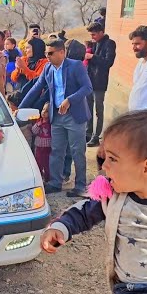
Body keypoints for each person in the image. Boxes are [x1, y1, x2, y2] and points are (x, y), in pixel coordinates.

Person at [41, 110, 147, 294]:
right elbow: (83, 213)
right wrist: (60, 227)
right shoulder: (114, 197)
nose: (104, 166)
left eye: (112, 159)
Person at [19, 39, 93, 197]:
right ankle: (55, 183)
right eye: (46, 53)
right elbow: (36, 88)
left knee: (77, 151)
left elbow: (87, 87)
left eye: (50, 53)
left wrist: (70, 100)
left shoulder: (75, 66)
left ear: (61, 52)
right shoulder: (48, 68)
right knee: (56, 151)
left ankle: (80, 185)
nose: (47, 56)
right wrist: (20, 109)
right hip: (57, 116)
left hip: (75, 116)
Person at [84, 21, 116, 147]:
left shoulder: (109, 44)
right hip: (89, 80)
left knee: (99, 109)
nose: (92, 37)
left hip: (100, 82)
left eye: (94, 34)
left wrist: (92, 56)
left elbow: (108, 62)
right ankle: (88, 133)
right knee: (88, 109)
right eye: (91, 35)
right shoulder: (93, 44)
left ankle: (96, 136)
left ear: (101, 32)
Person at [31, 102, 52, 182]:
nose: (43, 112)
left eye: (47, 111)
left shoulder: (51, 123)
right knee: (38, 162)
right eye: (43, 110)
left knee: (47, 163)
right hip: (39, 147)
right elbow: (34, 131)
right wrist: (38, 124)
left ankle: (48, 178)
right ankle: (39, 178)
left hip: (48, 147)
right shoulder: (38, 121)